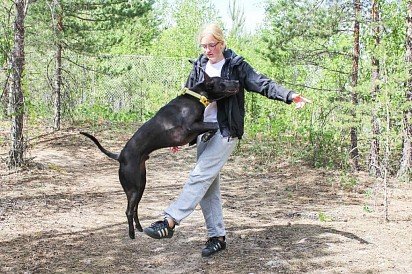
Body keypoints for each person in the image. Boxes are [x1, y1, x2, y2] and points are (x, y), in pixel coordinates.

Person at [143, 23, 310, 257]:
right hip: (201, 132)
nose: (208, 50)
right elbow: (184, 103)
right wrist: (177, 134)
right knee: (208, 186)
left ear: (222, 43)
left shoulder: (235, 66)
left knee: (199, 176)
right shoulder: (199, 67)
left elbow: (262, 83)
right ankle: (217, 237)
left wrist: (289, 95)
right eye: (204, 46)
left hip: (225, 131)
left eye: (212, 45)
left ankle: (169, 221)